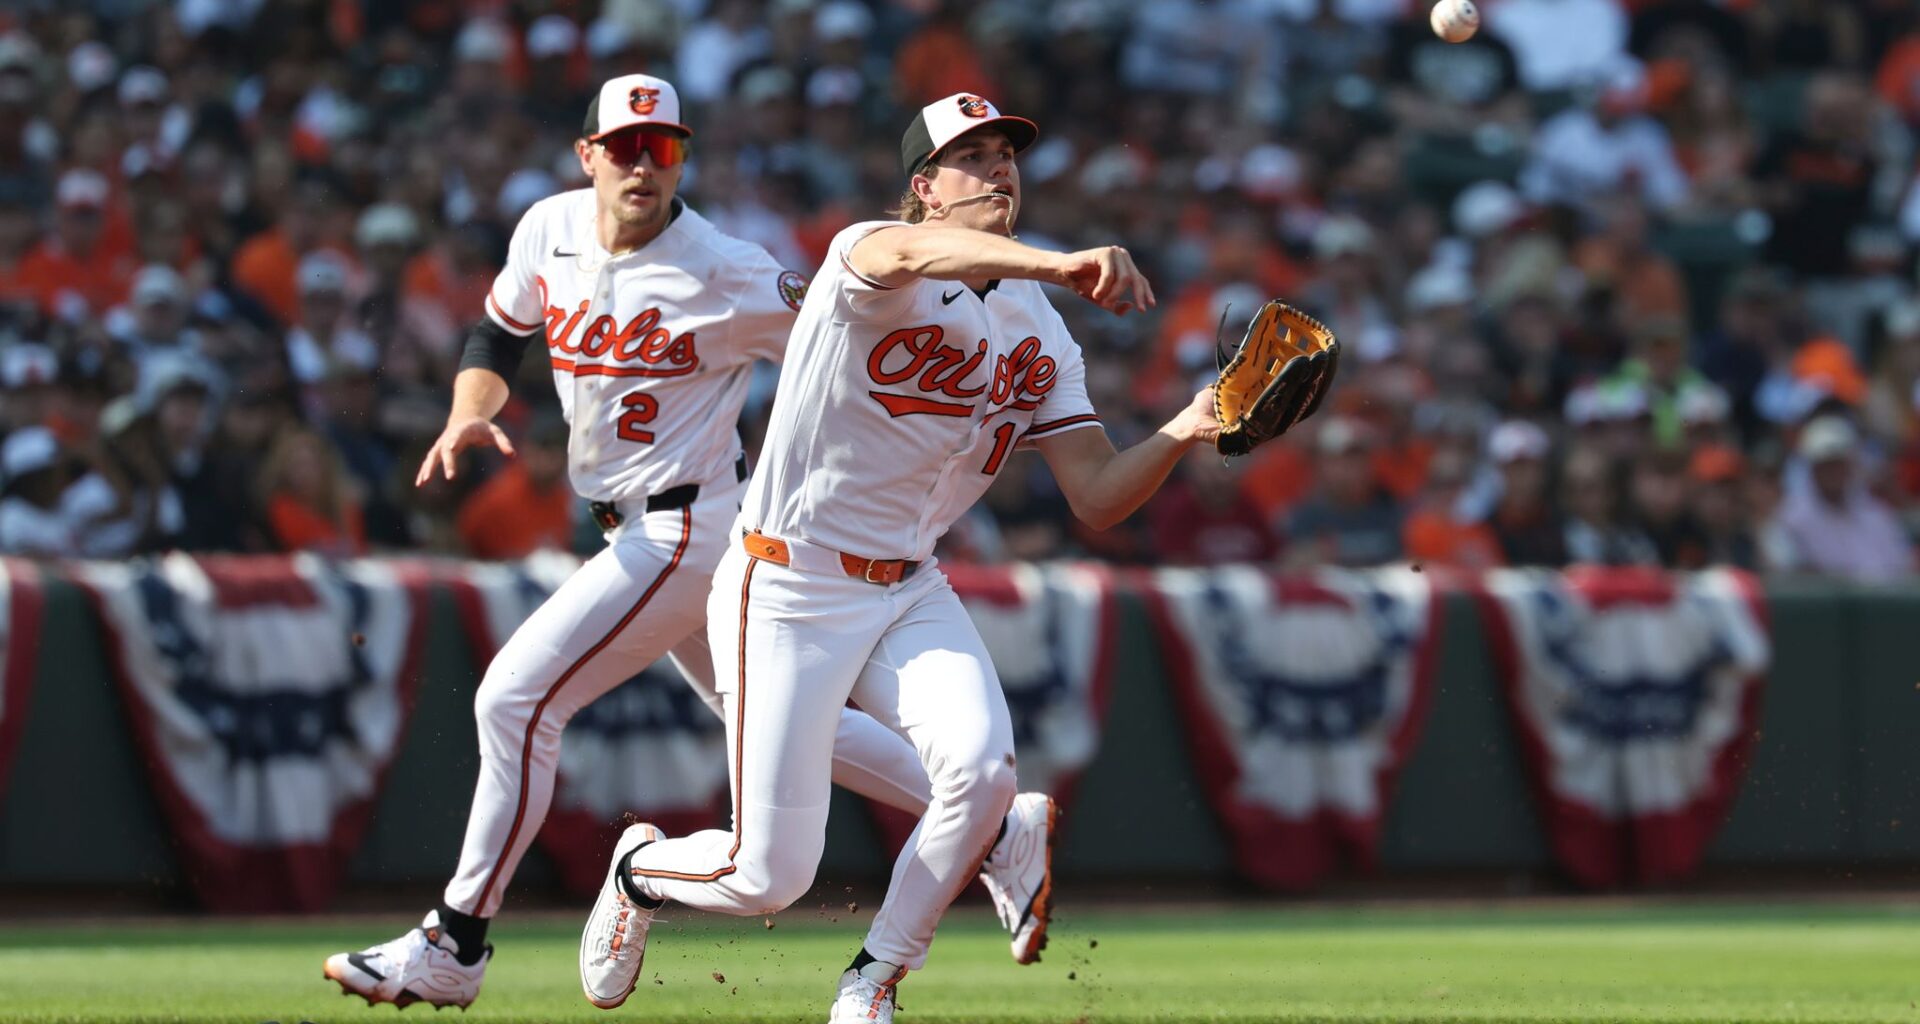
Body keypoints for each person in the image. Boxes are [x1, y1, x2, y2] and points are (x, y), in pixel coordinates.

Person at [323, 76, 1057, 1011]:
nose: (641, 163)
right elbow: (497, 328)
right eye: (624, 146)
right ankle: (996, 830)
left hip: (691, 524)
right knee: (807, 733)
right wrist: (471, 408)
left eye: (661, 147)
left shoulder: (728, 268)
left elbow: (853, 315)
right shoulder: (546, 227)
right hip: (643, 525)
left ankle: (454, 942)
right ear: (587, 154)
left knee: (515, 701)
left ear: (682, 157)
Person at [579, 91, 1221, 1023]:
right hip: (786, 583)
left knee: (985, 771)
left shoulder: (1040, 327)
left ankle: (873, 978)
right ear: (923, 186)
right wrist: (1066, 261)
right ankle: (639, 872)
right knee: (768, 876)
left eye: (1007, 151)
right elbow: (914, 251)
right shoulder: (870, 254)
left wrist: (1182, 429)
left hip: (910, 587)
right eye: (972, 155)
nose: (998, 166)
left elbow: (1096, 496)